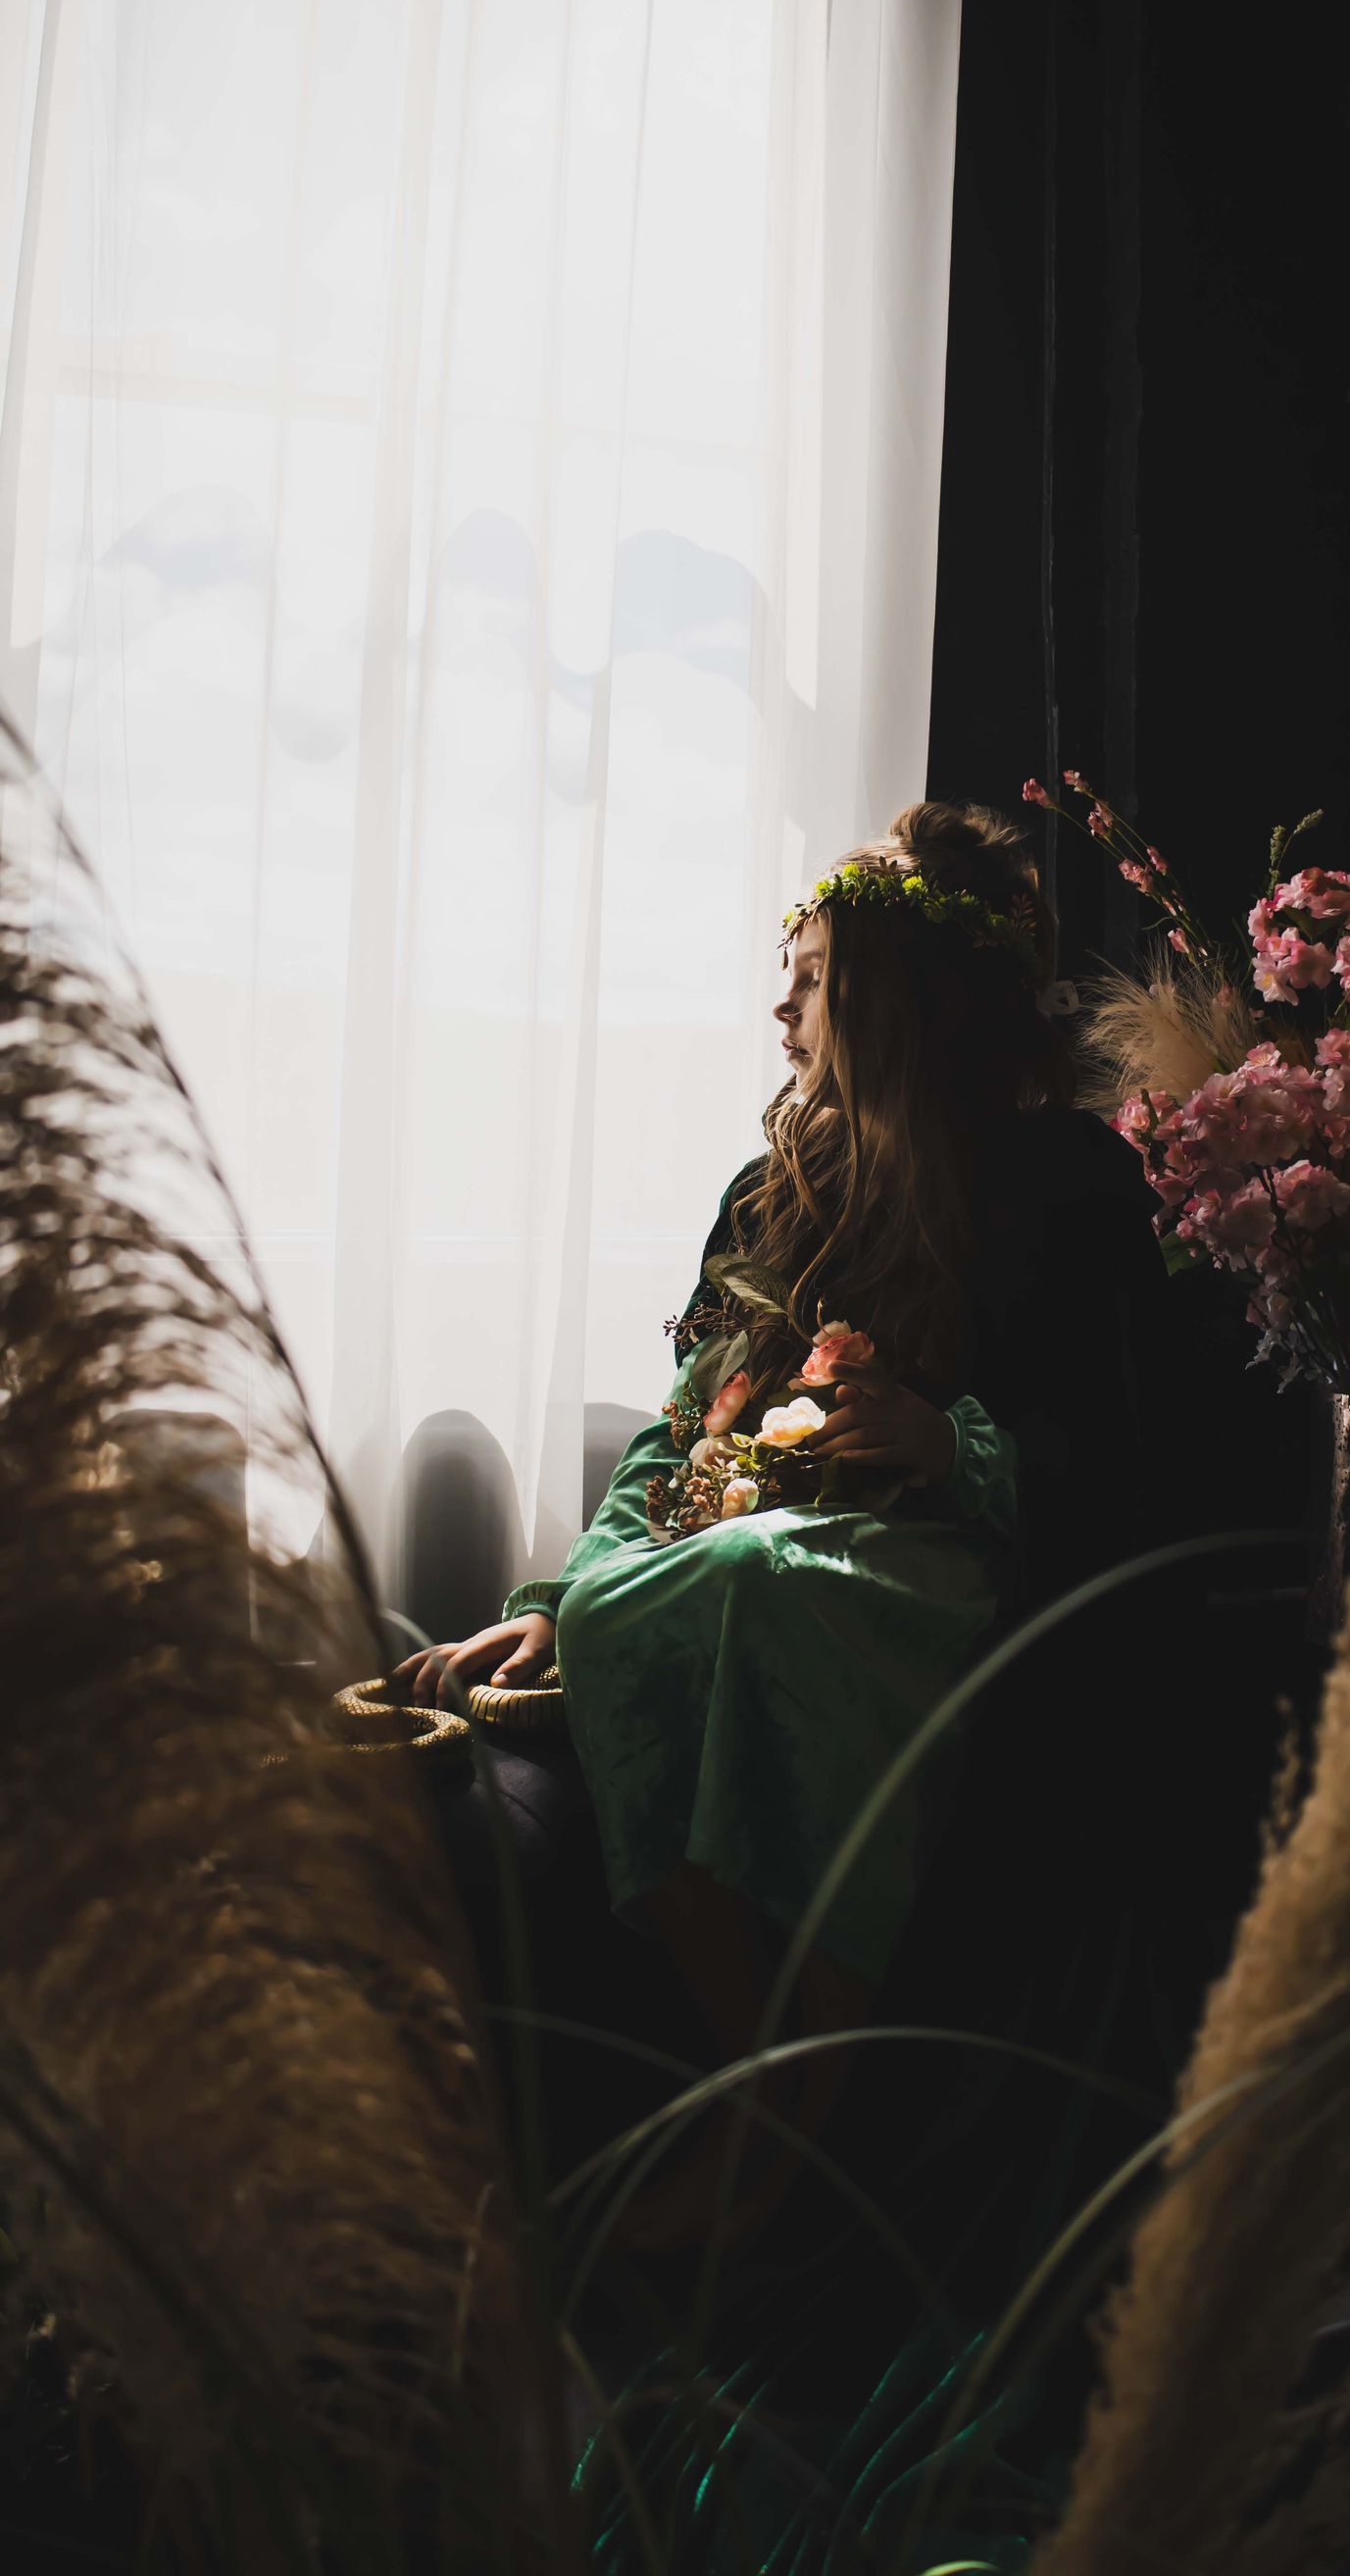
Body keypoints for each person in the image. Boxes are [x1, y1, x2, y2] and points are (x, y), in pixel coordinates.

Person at [396, 801, 1171, 2177]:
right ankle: (761, 2075)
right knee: (675, 1589)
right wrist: (565, 1599)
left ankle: (804, 2108)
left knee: (748, 1578)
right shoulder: (770, 1196)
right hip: (746, 1551)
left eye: (809, 977)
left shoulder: (1069, 1185)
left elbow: (1128, 1450)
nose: (779, 1006)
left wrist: (945, 1444)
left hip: (941, 1566)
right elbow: (684, 1431)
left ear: (895, 996)